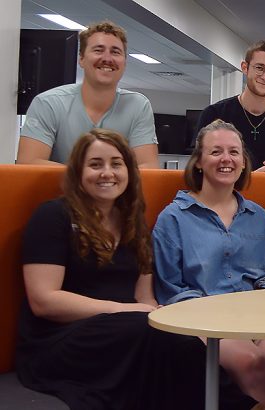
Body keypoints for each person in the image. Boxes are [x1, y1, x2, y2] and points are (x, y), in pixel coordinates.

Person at [16, 129, 203, 409]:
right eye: (95, 164)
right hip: (60, 338)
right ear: (78, 172)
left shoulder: (134, 222)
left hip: (126, 330)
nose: (107, 173)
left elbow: (144, 298)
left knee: (182, 340)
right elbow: (44, 301)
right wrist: (124, 310)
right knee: (148, 335)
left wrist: (155, 315)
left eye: (116, 164)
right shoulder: (52, 216)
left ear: (128, 171)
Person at [152, 119, 265, 410]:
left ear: (243, 163)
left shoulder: (257, 215)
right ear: (199, 161)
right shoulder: (173, 218)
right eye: (216, 152)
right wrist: (222, 317)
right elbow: (170, 290)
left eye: (234, 152)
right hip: (202, 322)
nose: (226, 159)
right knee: (252, 362)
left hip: (256, 318)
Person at [17, 21, 158, 168]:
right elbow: (28, 163)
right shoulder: (48, 103)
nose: (107, 58)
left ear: (124, 63)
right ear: (81, 59)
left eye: (115, 52)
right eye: (98, 50)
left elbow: (149, 167)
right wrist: (88, 176)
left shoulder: (138, 106)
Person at [197, 40, 265, 173]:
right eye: (260, 68)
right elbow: (199, 170)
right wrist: (252, 179)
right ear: (245, 67)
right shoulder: (214, 114)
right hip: (225, 186)